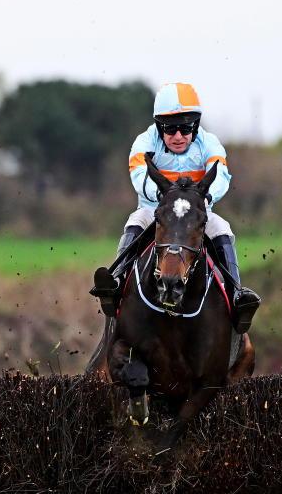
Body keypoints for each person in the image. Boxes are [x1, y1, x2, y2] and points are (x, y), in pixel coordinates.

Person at [97, 82, 260, 333]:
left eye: (185, 128)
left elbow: (221, 175)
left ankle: (236, 294)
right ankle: (117, 280)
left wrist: (205, 199)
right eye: (170, 129)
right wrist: (163, 198)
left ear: (195, 126)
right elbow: (139, 175)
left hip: (196, 213)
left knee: (222, 228)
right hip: (156, 210)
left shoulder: (209, 143)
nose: (178, 136)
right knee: (136, 220)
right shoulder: (144, 142)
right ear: (158, 126)